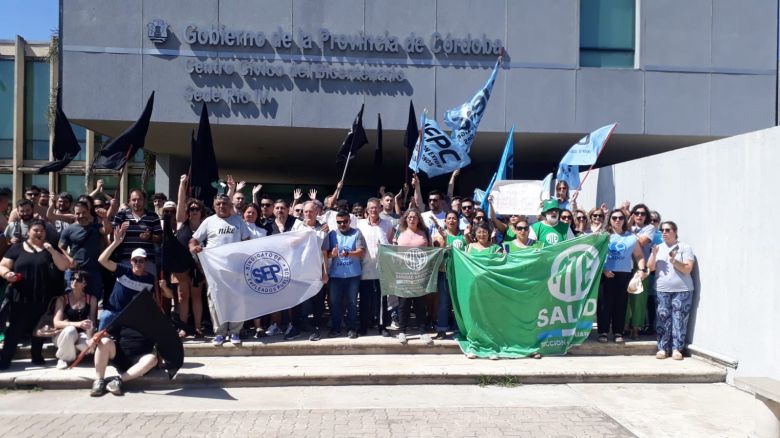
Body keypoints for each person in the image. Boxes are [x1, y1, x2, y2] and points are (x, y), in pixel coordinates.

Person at [0, 219, 71, 369]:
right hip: (20, 297)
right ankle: (5, 358)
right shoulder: (17, 248)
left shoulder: (50, 249)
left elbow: (64, 266)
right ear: (29, 232)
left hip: (44, 297)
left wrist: (51, 250)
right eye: (36, 230)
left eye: (42, 231)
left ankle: (36, 356)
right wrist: (7, 274)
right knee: (14, 329)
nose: (39, 233)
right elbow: (3, 265)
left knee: (39, 329)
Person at [190, 194, 251, 346]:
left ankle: (235, 332)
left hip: (235, 270)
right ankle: (220, 332)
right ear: (214, 205)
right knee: (216, 302)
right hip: (215, 271)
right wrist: (194, 248)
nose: (222, 206)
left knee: (237, 301)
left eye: (224, 203)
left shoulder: (238, 221)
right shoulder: (208, 222)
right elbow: (194, 240)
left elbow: (247, 241)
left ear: (230, 205)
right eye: (218, 204)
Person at [596, 209, 648, 344]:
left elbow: (639, 255)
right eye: (614, 218)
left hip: (624, 274)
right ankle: (603, 332)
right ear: (610, 220)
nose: (617, 220)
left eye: (620, 218)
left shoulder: (631, 237)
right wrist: (603, 270)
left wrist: (642, 269)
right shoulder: (603, 236)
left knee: (621, 304)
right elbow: (595, 256)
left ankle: (618, 332)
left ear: (625, 220)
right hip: (605, 273)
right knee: (604, 305)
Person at [648, 221, 695, 361]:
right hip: (662, 289)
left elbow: (687, 269)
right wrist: (653, 254)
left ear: (675, 231)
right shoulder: (658, 247)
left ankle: (677, 349)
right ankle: (662, 348)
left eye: (668, 230)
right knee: (663, 319)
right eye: (662, 230)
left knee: (679, 319)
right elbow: (650, 268)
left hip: (682, 290)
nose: (664, 232)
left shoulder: (685, 247)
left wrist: (674, 261)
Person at [97, 226, 156, 330]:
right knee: (105, 316)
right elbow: (102, 260)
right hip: (114, 312)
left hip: (133, 317)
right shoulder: (123, 271)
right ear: (131, 261)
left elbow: (164, 296)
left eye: (141, 260)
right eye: (135, 260)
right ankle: (96, 344)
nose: (138, 263)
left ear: (145, 262)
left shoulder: (150, 279)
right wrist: (115, 243)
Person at [322, 210, 366, 339]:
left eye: (345, 221)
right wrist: (332, 255)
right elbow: (326, 253)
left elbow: (361, 252)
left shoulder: (356, 233)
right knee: (335, 303)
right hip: (335, 276)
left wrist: (348, 254)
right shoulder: (331, 234)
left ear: (349, 221)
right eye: (339, 222)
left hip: (353, 275)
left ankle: (351, 328)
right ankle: (336, 328)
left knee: (352, 303)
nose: (342, 224)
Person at [393, 208, 433, 346]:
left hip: (420, 273)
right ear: (405, 219)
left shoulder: (425, 233)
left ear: (419, 219)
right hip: (403, 273)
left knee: (420, 304)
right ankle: (402, 331)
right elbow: (393, 251)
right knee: (403, 304)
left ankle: (422, 331)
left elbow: (431, 250)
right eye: (409, 217)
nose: (412, 219)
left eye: (414, 217)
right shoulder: (399, 232)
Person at [173, 175, 206, 338]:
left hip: (199, 267)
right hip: (182, 267)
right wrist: (182, 184)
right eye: (191, 209)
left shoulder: (206, 227)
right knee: (182, 297)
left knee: (196, 297)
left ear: (201, 212)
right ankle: (184, 328)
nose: (193, 212)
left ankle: (198, 327)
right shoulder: (181, 223)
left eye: (196, 209)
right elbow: (180, 203)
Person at [291, 201, 329, 341]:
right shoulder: (297, 226)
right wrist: (302, 234)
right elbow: (290, 245)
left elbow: (324, 252)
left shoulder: (323, 229)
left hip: (315, 272)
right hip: (299, 272)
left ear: (317, 212)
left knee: (317, 302)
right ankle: (296, 327)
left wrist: (325, 272)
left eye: (311, 211)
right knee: (297, 302)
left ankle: (317, 328)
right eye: (305, 211)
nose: (307, 214)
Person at [356, 198, 394, 336]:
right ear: (367, 209)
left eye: (376, 207)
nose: (374, 210)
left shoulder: (388, 224)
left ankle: (382, 326)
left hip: (381, 268)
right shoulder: (360, 224)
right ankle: (363, 326)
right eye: (371, 207)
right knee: (365, 300)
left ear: (380, 208)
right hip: (365, 268)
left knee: (382, 300)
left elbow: (391, 243)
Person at [58, 200, 109, 299]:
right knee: (72, 300)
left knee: (94, 300)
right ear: (74, 213)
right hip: (74, 271)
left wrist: (105, 218)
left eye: (84, 212)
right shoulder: (69, 229)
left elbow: (106, 231)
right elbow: (60, 247)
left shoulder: (96, 227)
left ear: (89, 211)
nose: (81, 215)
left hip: (93, 270)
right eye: (78, 213)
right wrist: (69, 259)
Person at [110, 189, 162, 277]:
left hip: (147, 262)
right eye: (134, 200)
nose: (136, 202)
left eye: (139, 199)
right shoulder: (121, 216)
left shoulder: (153, 216)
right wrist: (121, 231)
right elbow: (112, 238)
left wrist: (150, 237)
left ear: (145, 201)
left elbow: (160, 238)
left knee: (149, 289)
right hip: (126, 261)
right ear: (129, 201)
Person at [52, 270, 97, 369]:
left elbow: (93, 321)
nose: (74, 282)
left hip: (82, 335)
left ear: (85, 283)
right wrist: (78, 324)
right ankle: (63, 359)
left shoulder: (91, 299)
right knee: (70, 330)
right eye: (72, 279)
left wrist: (90, 334)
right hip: (63, 334)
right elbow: (56, 323)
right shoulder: (62, 299)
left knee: (90, 348)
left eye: (78, 280)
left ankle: (72, 352)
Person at [432, 211, 467, 339]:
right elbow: (437, 253)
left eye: (454, 218)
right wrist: (444, 240)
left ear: (458, 221)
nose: (451, 221)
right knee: (443, 302)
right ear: (445, 221)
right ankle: (441, 329)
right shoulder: (440, 235)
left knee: (459, 302)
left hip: (460, 274)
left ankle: (461, 330)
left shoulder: (464, 236)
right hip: (444, 273)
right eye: (449, 218)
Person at [626, 203, 656, 339]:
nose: (639, 216)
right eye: (636, 213)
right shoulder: (628, 226)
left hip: (641, 265)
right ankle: (625, 326)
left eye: (642, 214)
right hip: (625, 265)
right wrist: (628, 225)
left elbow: (641, 242)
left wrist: (628, 230)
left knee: (639, 298)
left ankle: (636, 328)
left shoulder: (650, 228)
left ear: (646, 216)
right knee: (625, 298)